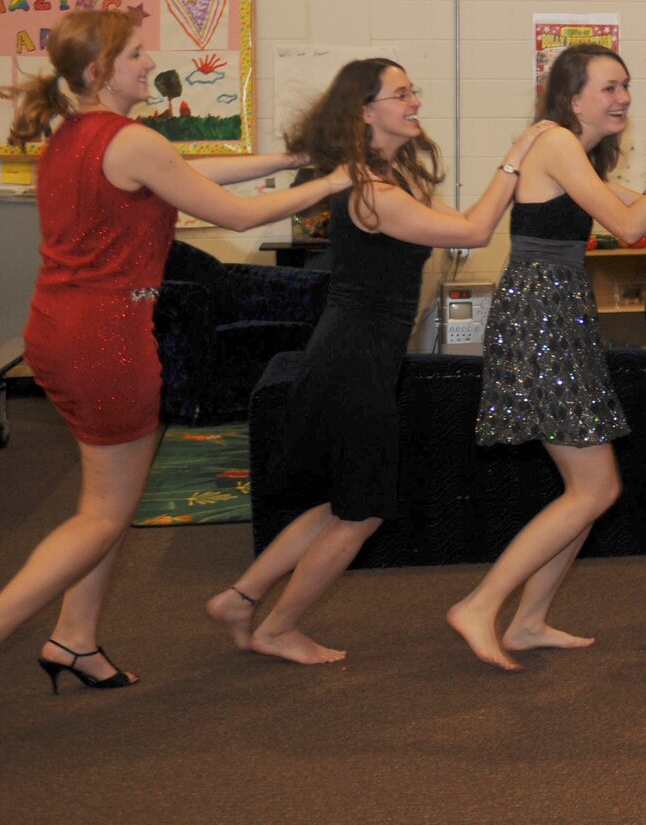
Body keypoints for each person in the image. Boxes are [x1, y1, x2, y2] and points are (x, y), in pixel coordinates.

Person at [0, 8, 350, 724]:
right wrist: (328, 183)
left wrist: (288, 162)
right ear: (99, 70)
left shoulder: (78, 136)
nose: (145, 59)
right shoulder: (130, 140)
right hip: (107, 338)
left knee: (107, 501)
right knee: (102, 513)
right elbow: (236, 215)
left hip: (61, 326)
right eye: (133, 52)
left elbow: (185, 175)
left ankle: (75, 639)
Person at [204, 59, 555, 665]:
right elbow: (472, 232)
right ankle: (279, 627)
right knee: (361, 512)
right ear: (366, 113)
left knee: (334, 502)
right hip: (353, 355)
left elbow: (458, 225)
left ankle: (242, 597)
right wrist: (518, 154)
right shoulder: (371, 192)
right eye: (400, 94)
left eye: (413, 89)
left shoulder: (386, 180)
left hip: (358, 350)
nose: (414, 100)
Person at [445, 43, 646, 670]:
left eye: (626, 86)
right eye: (609, 87)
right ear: (573, 98)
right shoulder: (556, 143)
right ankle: (480, 604)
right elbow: (628, 227)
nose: (622, 97)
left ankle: (530, 620)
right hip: (543, 315)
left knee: (592, 485)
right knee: (593, 487)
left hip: (557, 312)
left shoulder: (579, 155)